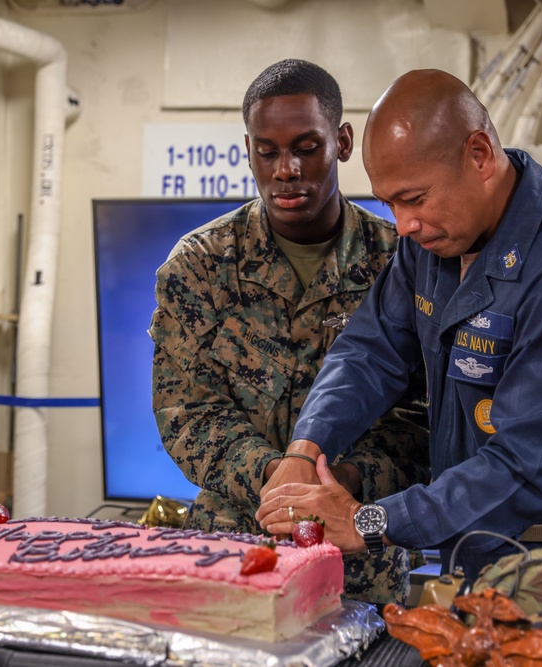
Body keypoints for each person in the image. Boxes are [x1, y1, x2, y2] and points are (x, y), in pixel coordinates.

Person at [256, 69, 542, 585]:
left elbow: (523, 468)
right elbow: (368, 353)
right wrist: (305, 450)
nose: (402, 224)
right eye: (388, 203)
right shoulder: (433, 245)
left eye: (415, 199)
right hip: (471, 558)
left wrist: (368, 522)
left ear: (481, 156)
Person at [149, 59, 430, 605]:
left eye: (306, 147)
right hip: (230, 547)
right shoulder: (200, 265)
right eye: (267, 150)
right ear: (247, 149)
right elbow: (186, 412)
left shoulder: (404, 261)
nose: (285, 169)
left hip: (358, 555)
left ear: (343, 142)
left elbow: (428, 414)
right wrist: (276, 477)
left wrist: (347, 479)